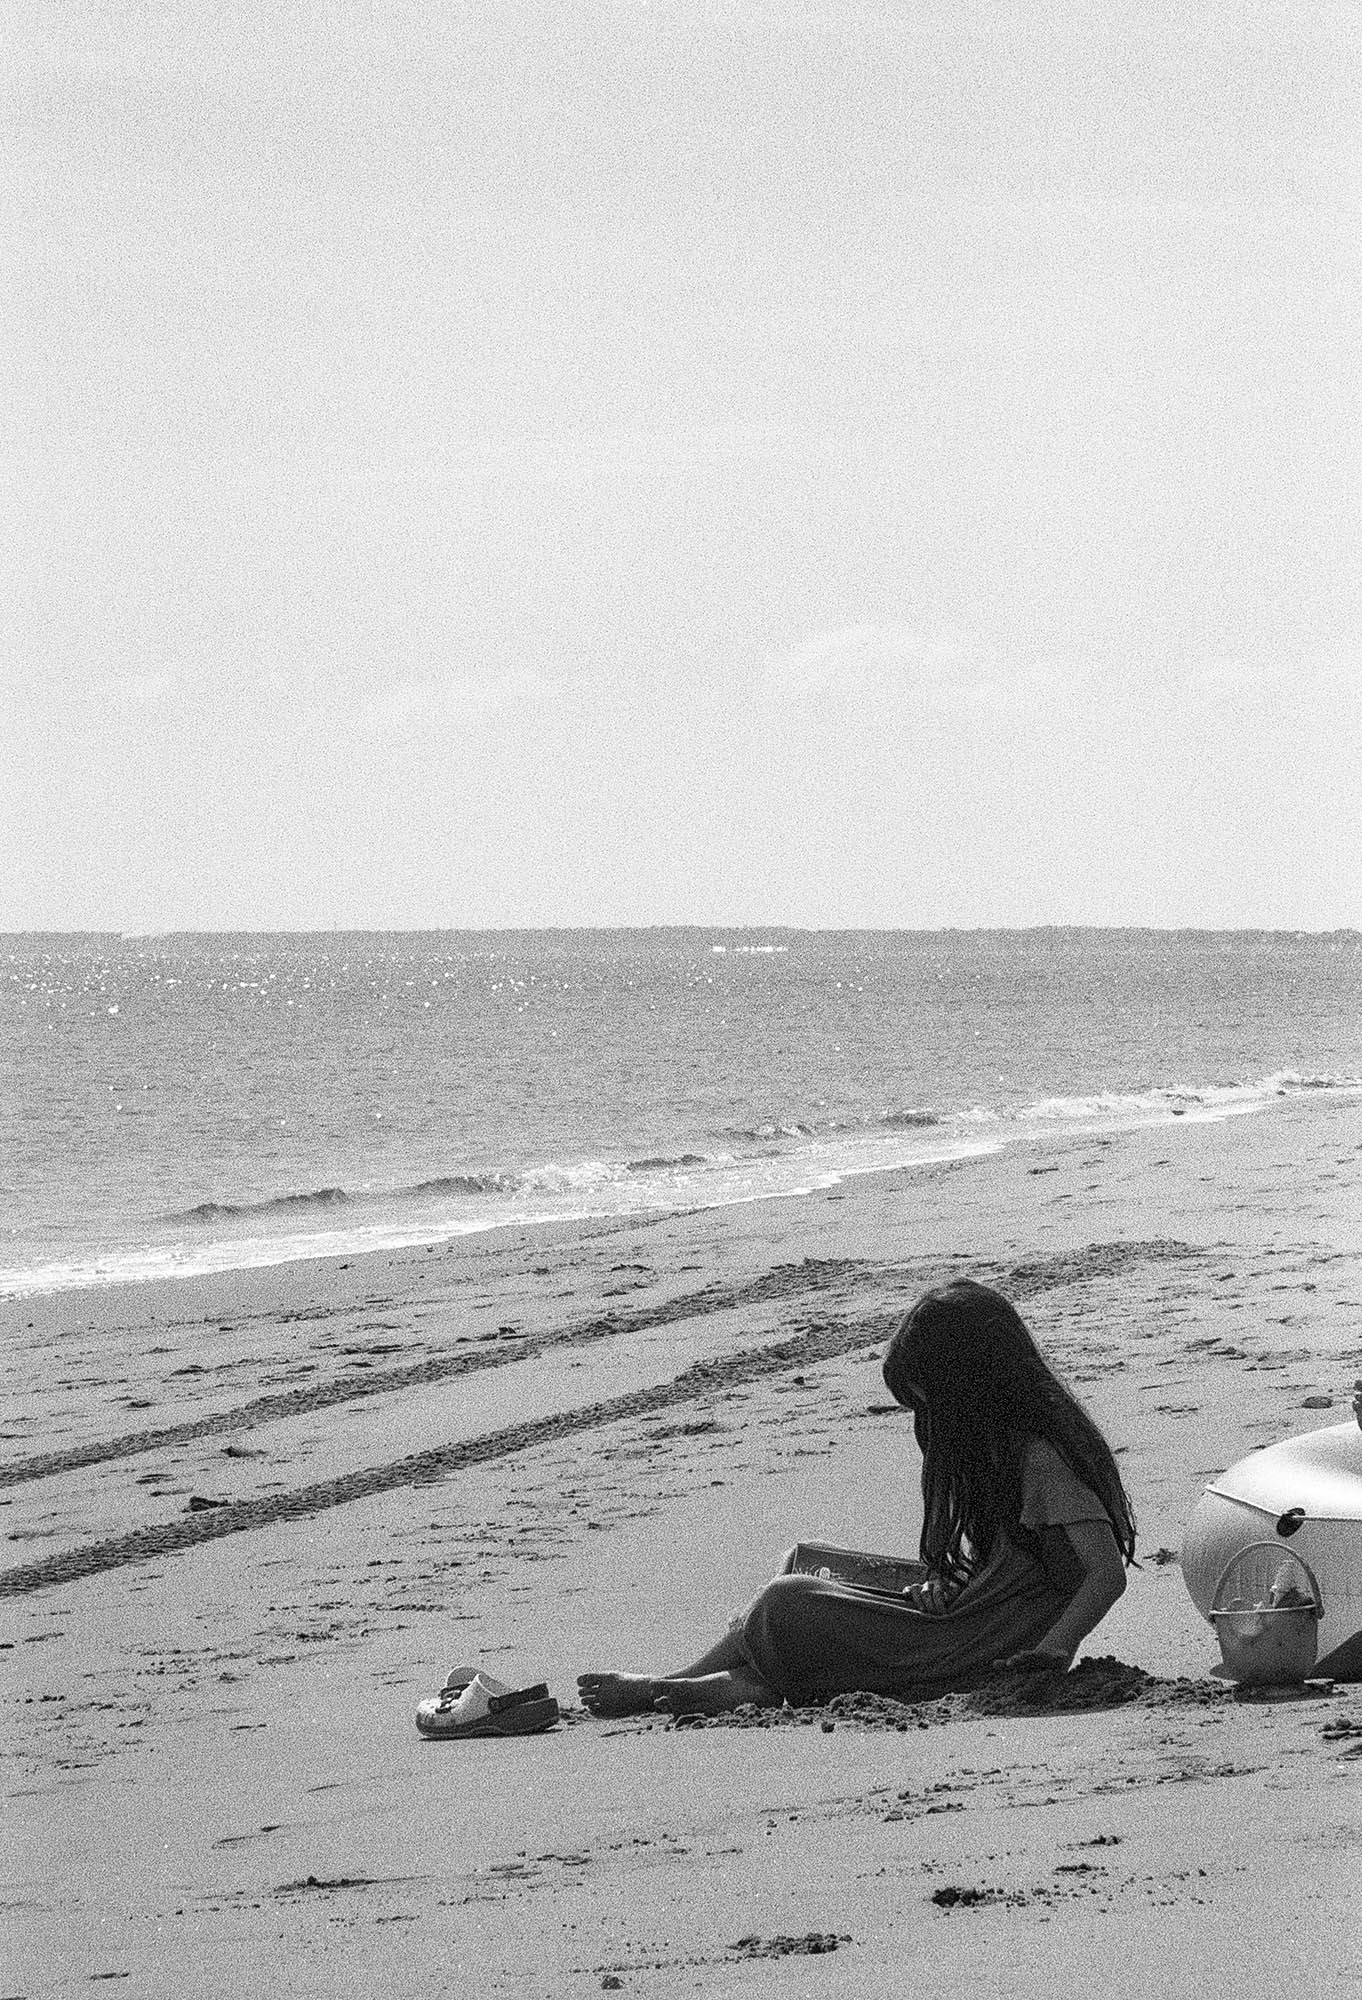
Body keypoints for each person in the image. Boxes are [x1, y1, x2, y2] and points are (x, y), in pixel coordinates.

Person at [578, 1278, 1136, 1717]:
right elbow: (1014, 1565)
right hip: (970, 1616)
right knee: (805, 1564)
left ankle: (712, 1684)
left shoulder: (1041, 1460)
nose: (928, 1424)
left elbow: (1104, 1573)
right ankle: (726, 1682)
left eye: (931, 1406)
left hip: (979, 1643)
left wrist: (1056, 1648)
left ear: (970, 1389)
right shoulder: (1001, 1449)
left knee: (787, 1600)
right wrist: (950, 1583)